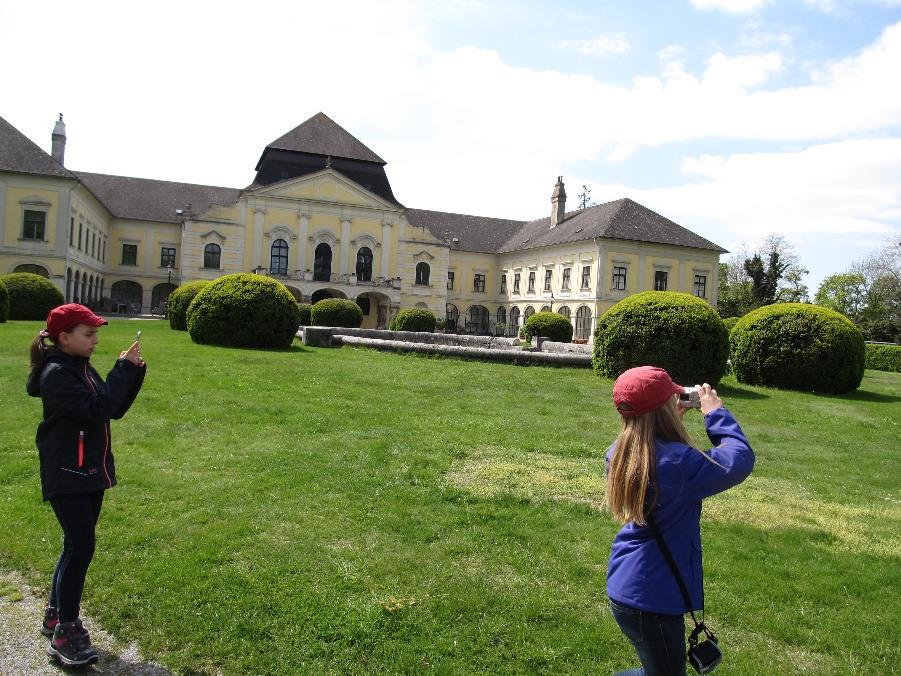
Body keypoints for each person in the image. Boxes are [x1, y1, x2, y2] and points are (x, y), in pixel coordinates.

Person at [605, 366, 754, 676]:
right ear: (663, 411)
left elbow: (649, 446)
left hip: (627, 587)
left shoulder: (618, 454)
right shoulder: (679, 464)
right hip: (653, 601)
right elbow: (739, 459)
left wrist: (665, 421)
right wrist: (715, 413)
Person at [26, 303, 146, 667]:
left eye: (96, 334)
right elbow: (97, 409)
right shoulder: (56, 374)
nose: (95, 340)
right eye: (88, 334)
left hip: (88, 470)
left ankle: (54, 613)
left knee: (75, 546)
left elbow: (113, 408)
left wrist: (133, 372)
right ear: (64, 338)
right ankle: (66, 630)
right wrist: (122, 368)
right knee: (81, 547)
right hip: (68, 472)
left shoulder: (78, 367)